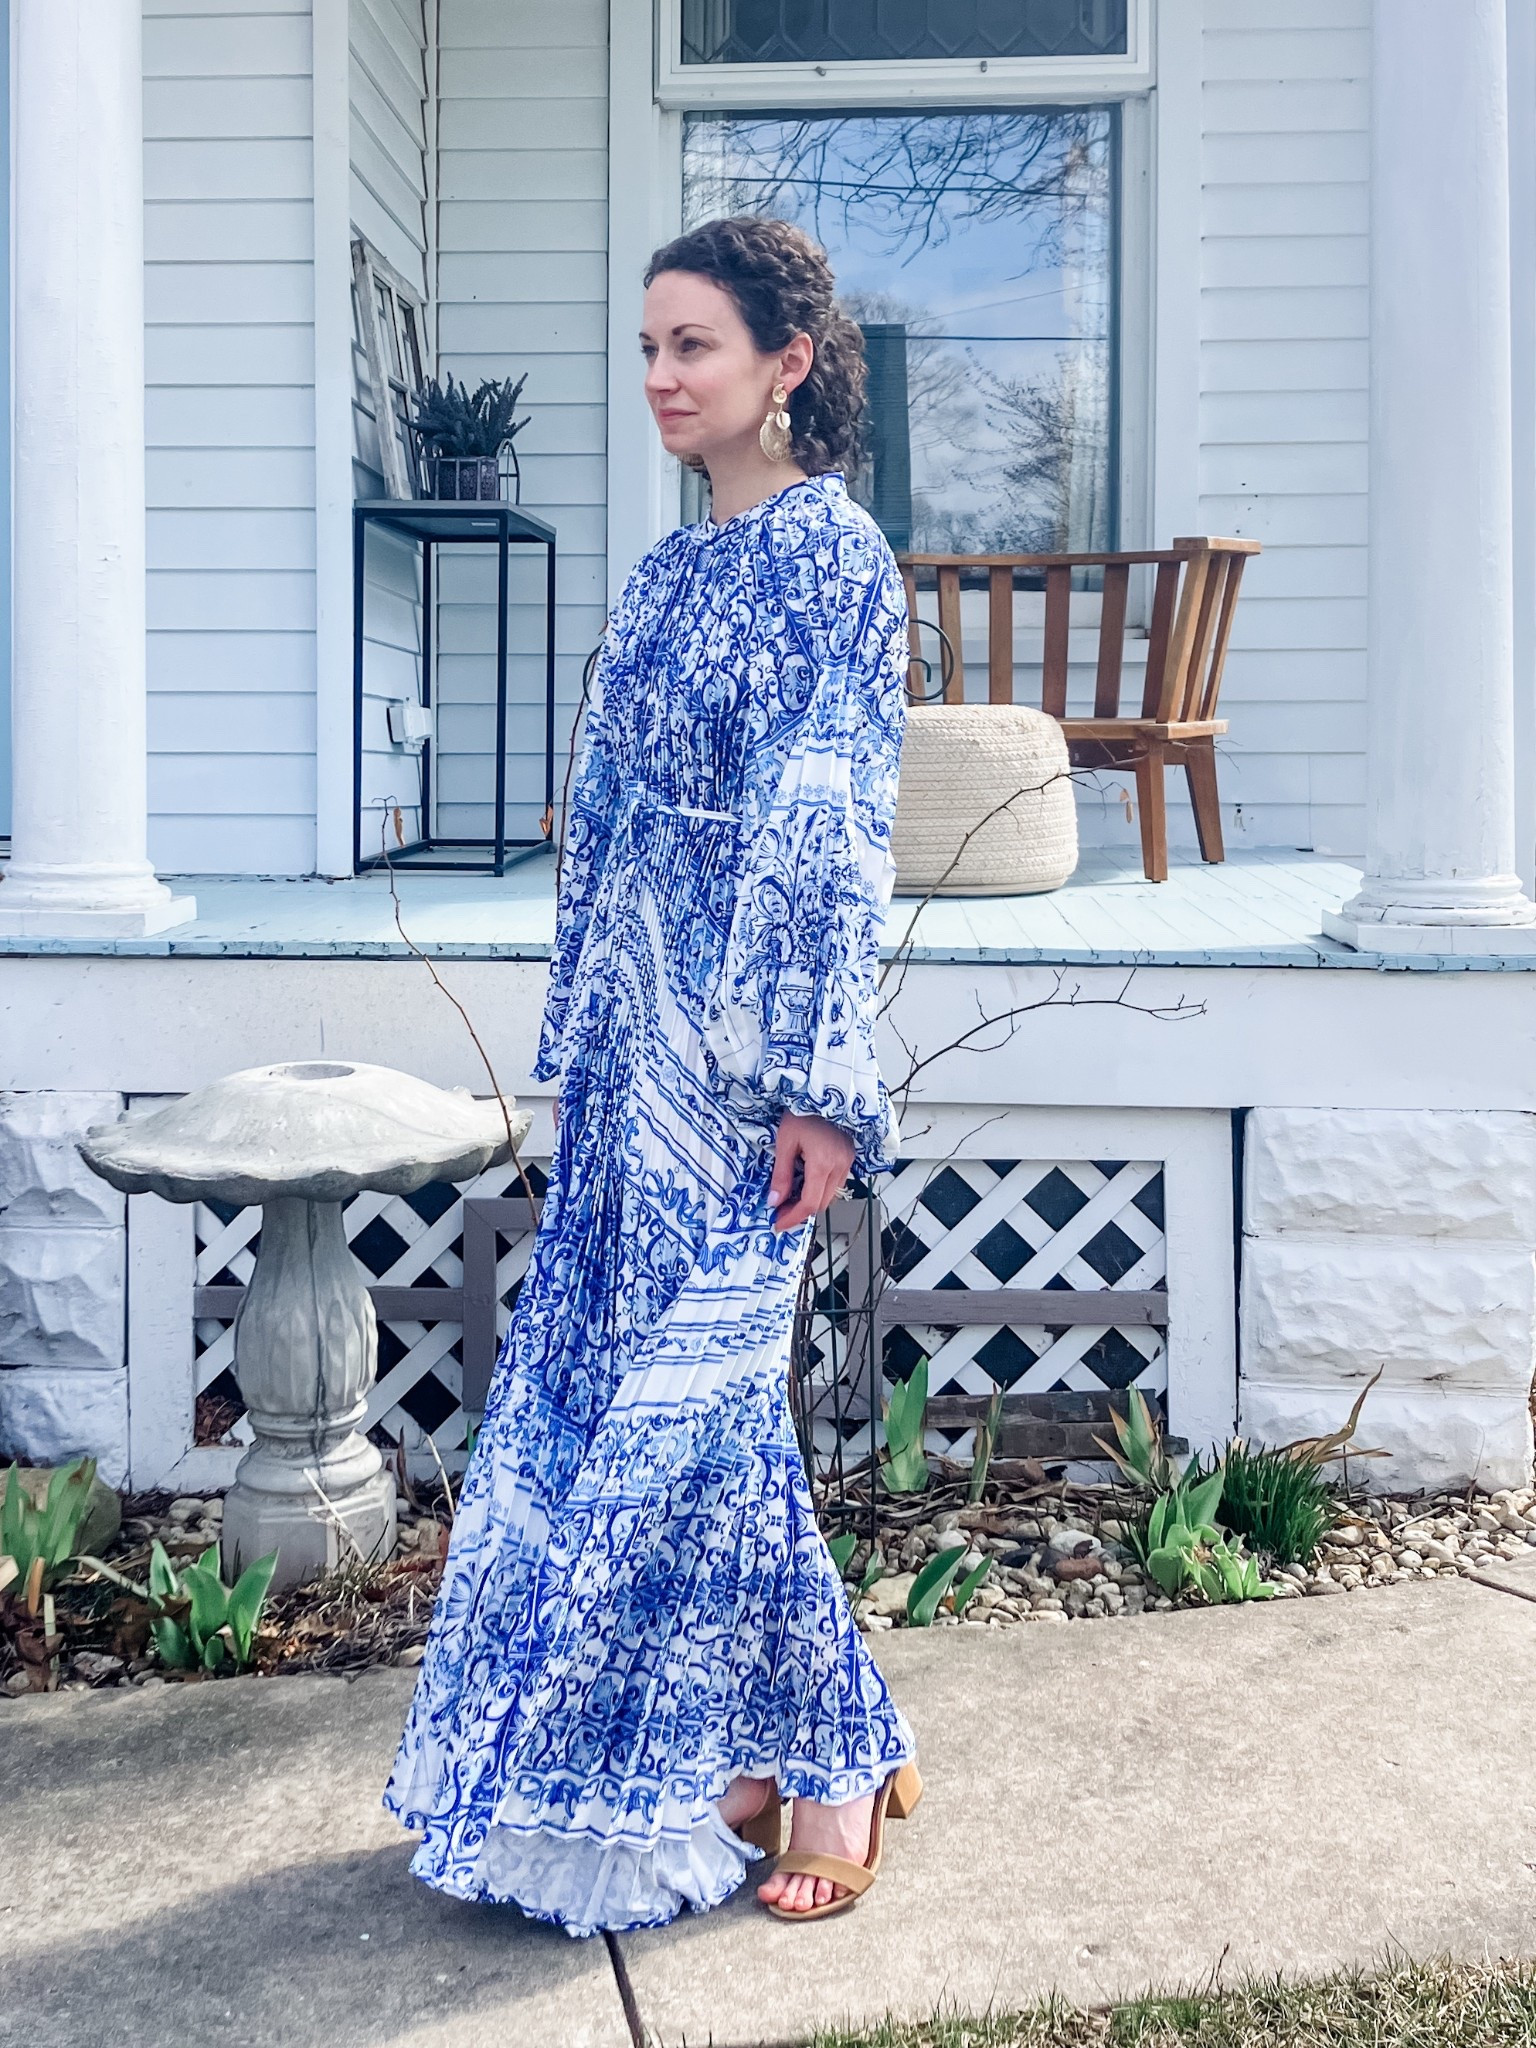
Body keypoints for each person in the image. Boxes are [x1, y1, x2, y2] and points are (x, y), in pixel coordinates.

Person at [383, 214, 919, 1938]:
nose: (661, 378)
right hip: (630, 1065)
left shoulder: (839, 562)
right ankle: (792, 1749)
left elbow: (832, 835)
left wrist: (823, 1082)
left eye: (694, 345)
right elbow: (605, 828)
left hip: (750, 1069)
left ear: (789, 365)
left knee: (700, 1418)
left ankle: (826, 1766)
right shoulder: (668, 573)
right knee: (637, 1419)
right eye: (647, 347)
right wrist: (582, 1051)